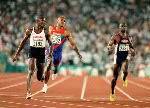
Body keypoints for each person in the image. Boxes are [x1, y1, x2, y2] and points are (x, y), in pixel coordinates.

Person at [12, 16, 53, 99]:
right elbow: (23, 42)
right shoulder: (30, 31)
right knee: (31, 71)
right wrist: (16, 54)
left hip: (41, 52)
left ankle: (41, 77)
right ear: (37, 22)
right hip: (32, 51)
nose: (44, 23)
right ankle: (28, 93)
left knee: (39, 77)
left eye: (45, 21)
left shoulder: (46, 32)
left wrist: (50, 54)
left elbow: (51, 44)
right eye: (42, 21)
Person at [42, 16, 82, 93]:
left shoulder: (66, 32)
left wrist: (78, 53)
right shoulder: (51, 28)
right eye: (61, 20)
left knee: (56, 67)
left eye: (64, 21)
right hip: (50, 51)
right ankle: (45, 85)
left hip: (58, 54)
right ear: (58, 20)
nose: (63, 22)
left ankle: (56, 71)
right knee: (48, 64)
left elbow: (73, 44)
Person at [107, 23, 135, 101]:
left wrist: (133, 51)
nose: (123, 27)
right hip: (118, 57)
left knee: (125, 66)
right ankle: (112, 92)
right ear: (119, 28)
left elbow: (132, 47)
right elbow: (109, 45)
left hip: (126, 56)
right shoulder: (115, 37)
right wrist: (109, 47)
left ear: (126, 27)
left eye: (124, 26)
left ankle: (124, 78)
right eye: (121, 26)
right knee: (114, 77)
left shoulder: (129, 37)